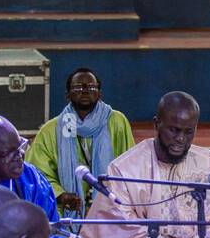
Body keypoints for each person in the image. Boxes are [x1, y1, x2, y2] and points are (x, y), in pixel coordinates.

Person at [78, 91, 210, 238]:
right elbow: (124, 230)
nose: (181, 139)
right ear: (156, 124)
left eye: (188, 132)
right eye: (174, 130)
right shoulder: (124, 170)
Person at [24, 68, 136, 216]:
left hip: (111, 206)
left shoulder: (116, 121)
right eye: (78, 87)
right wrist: (61, 195)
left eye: (91, 87)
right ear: (67, 95)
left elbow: (131, 166)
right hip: (67, 210)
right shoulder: (53, 129)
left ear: (99, 93)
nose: (84, 91)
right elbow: (37, 173)